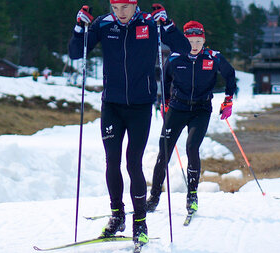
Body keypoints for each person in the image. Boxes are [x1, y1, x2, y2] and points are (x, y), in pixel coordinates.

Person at [68, 0, 190, 247]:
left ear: (134, 5)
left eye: (124, 7)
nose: (120, 13)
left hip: (140, 106)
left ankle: (140, 223)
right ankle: (117, 215)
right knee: (112, 161)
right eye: (115, 8)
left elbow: (184, 48)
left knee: (133, 163)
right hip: (111, 105)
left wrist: (167, 24)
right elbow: (75, 53)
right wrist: (80, 28)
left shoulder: (149, 23)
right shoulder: (103, 24)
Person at [145, 21, 236, 215]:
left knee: (192, 147)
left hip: (201, 110)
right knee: (164, 151)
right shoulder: (175, 58)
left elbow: (230, 75)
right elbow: (165, 80)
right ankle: (154, 197)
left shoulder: (213, 57)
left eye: (198, 40)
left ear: (204, 40)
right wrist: (165, 102)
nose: (194, 45)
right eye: (190, 41)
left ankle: (192, 196)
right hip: (177, 108)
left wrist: (228, 100)